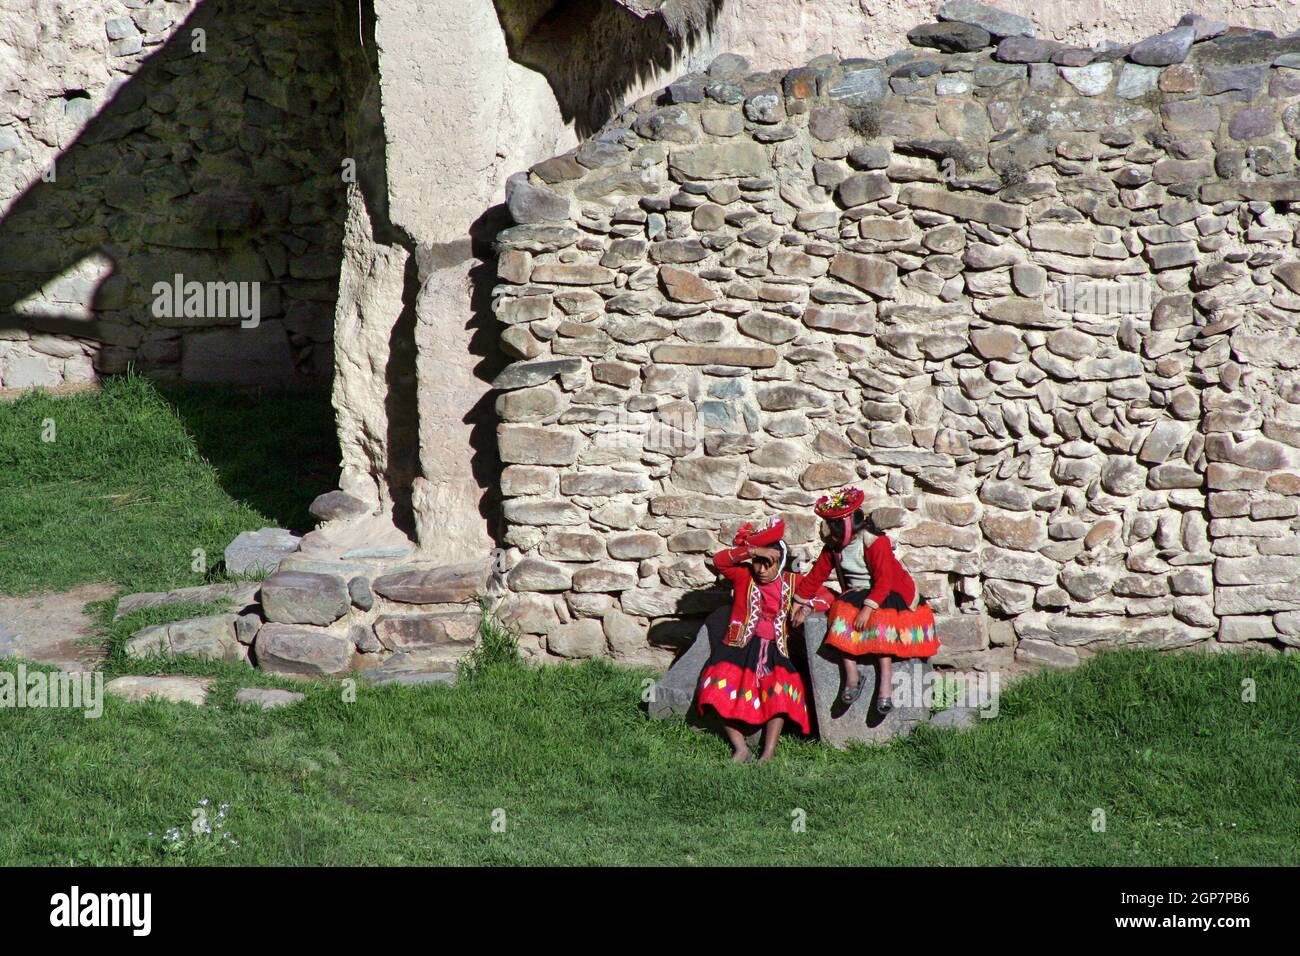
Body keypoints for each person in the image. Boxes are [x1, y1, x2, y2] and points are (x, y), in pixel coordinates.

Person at [791, 487, 939, 713]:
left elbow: (884, 581)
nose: (829, 532)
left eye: (832, 526)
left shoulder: (875, 542)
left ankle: (885, 687)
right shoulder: (834, 547)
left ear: (845, 526)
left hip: (889, 593)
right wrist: (799, 601)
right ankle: (852, 676)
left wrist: (867, 610)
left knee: (881, 622)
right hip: (857, 593)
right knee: (839, 613)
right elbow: (816, 575)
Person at [697, 517, 831, 762]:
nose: (760, 569)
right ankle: (740, 747)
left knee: (779, 692)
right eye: (757, 563)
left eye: (767, 564)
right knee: (713, 687)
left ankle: (768, 751)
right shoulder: (744, 577)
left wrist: (807, 607)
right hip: (738, 646)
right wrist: (752, 550)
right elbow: (719, 560)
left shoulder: (793, 582)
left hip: (776, 651)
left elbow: (827, 597)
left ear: (780, 563)